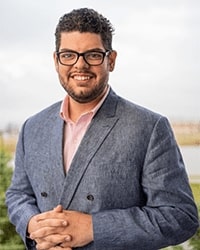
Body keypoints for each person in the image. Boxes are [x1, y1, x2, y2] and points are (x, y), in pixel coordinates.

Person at [6, 8, 199, 250]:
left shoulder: (149, 127)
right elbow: (18, 195)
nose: (80, 65)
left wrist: (93, 227)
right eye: (68, 55)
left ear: (112, 60)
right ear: (56, 61)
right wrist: (32, 224)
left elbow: (180, 217)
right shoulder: (32, 127)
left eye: (93, 55)